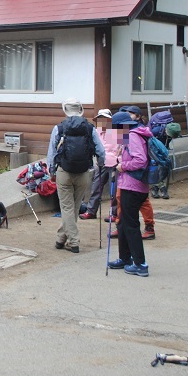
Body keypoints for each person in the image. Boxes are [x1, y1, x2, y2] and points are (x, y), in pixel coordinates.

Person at [47, 98, 105, 253]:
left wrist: (51, 171)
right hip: (84, 172)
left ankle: (74, 242)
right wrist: (101, 163)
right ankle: (60, 238)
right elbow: (100, 151)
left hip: (64, 171)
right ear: (81, 110)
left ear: (65, 110)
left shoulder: (59, 128)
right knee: (75, 207)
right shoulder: (90, 128)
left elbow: (52, 152)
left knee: (66, 208)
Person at [108, 108, 152, 276]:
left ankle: (140, 264)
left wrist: (122, 166)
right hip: (133, 185)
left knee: (131, 224)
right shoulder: (135, 134)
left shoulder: (133, 136)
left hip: (132, 186)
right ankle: (125, 258)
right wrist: (121, 156)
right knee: (122, 222)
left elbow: (140, 160)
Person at [80, 109, 118, 220]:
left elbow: (123, 148)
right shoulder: (96, 131)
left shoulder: (118, 131)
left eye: (105, 119)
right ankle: (91, 211)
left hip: (116, 164)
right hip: (101, 163)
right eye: (100, 119)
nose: (102, 121)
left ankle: (114, 213)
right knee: (95, 187)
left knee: (114, 190)